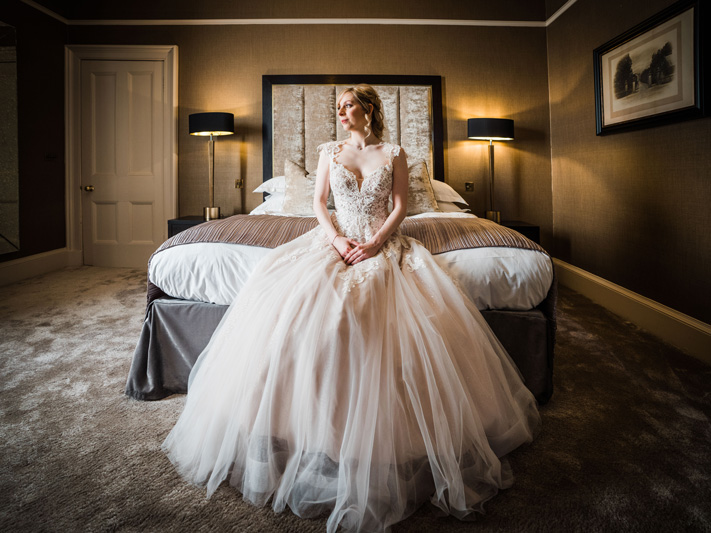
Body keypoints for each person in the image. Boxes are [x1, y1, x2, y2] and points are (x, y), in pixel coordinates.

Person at [162, 85, 540, 533]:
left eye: (349, 105)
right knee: (299, 306)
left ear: (369, 109)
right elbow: (319, 204)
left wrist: (377, 241)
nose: (341, 112)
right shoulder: (329, 152)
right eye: (338, 106)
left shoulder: (395, 153)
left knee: (376, 311)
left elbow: (400, 205)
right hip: (334, 242)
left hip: (383, 245)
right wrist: (339, 240)